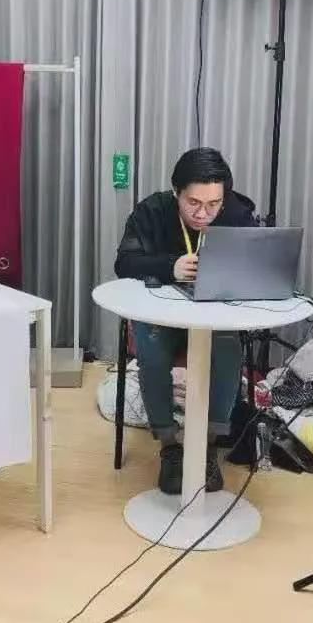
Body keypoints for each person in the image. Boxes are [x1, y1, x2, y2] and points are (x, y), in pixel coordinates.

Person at [114, 148, 257, 495]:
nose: (203, 213)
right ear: (175, 192)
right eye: (193, 203)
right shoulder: (151, 211)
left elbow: (257, 264)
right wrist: (170, 267)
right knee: (150, 348)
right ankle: (169, 446)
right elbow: (124, 263)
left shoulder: (236, 213)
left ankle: (207, 445)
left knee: (228, 347)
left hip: (214, 318)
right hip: (161, 319)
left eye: (213, 204)